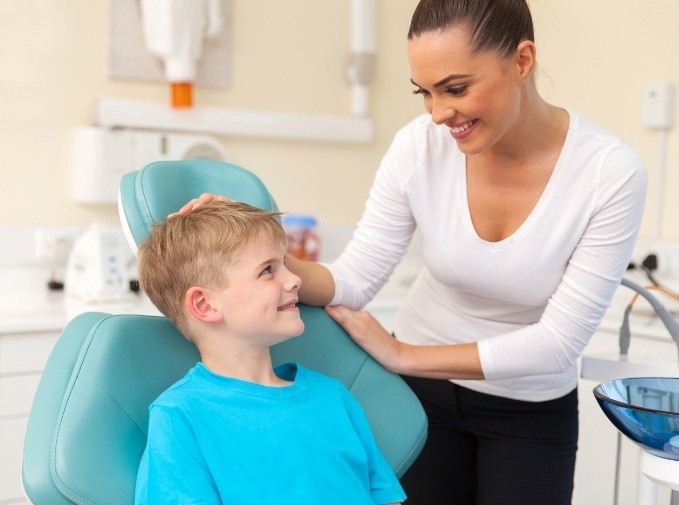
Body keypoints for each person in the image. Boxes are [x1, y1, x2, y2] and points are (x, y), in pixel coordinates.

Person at [176, 0, 647, 503]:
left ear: (523, 60)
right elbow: (354, 278)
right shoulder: (418, 146)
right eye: (425, 92)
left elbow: (556, 343)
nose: (439, 114)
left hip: (525, 408)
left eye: (456, 88)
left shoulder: (609, 173)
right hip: (419, 402)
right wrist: (256, 245)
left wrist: (404, 354)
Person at [134, 200, 405, 505]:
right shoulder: (180, 415)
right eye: (267, 270)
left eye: (285, 265)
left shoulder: (332, 396)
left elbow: (385, 498)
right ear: (205, 305)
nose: (295, 279)